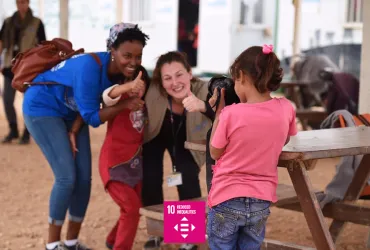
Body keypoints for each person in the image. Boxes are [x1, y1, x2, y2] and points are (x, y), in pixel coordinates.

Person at [22, 23, 149, 250]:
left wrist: (73, 129)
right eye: (127, 55)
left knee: (84, 180)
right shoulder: (93, 67)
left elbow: (89, 105)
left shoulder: (125, 75)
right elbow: (93, 114)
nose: (133, 61)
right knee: (67, 178)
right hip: (43, 107)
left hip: (73, 115)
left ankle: (71, 242)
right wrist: (126, 104)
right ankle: (52, 245)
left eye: (138, 56)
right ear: (112, 50)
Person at [207, 45, 297, 250]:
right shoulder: (286, 108)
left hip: (226, 198)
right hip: (261, 200)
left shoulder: (230, 114)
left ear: (241, 77)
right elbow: (284, 139)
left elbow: (215, 152)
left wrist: (219, 115)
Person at [142, 51, 213, 250]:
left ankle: (188, 236)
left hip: (186, 140)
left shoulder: (204, 90)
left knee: (186, 175)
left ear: (190, 73)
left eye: (179, 74)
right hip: (155, 136)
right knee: (150, 178)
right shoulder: (153, 90)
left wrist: (204, 106)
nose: (175, 82)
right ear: (161, 81)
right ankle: (157, 234)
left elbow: (225, 111)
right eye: (167, 78)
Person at [98, 23, 150, 250]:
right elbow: (108, 96)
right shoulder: (120, 96)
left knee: (185, 191)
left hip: (142, 163)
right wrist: (126, 88)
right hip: (120, 163)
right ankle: (159, 238)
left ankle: (187, 241)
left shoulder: (154, 101)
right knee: (134, 207)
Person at [0, 0, 46, 144]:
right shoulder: (8, 22)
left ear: (28, 3)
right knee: (7, 99)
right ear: (16, 3)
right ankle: (13, 130)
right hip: (9, 66)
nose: (22, 5)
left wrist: (40, 66)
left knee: (29, 100)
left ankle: (27, 132)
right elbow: (1, 42)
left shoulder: (37, 23)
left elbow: (43, 46)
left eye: (24, 2)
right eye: (20, 2)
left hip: (27, 68)